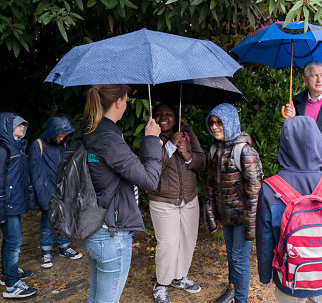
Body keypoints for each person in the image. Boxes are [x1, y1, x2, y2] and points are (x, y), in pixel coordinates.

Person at [256, 116, 322, 303]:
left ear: (284, 146)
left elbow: (264, 238)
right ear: (319, 143)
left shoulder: (270, 188)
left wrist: (265, 274)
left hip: (288, 277)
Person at [80, 84, 163, 303]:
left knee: (96, 297)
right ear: (118, 102)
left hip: (94, 227)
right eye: (125, 100)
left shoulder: (90, 131)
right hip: (110, 234)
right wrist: (152, 140)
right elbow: (150, 180)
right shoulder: (109, 139)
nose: (126, 104)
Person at [204, 103, 263, 303]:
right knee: (231, 256)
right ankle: (233, 291)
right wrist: (211, 215)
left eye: (219, 122)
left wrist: (251, 226)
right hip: (227, 215)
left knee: (239, 259)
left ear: (229, 122)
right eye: (212, 123)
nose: (214, 127)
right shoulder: (214, 150)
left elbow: (254, 192)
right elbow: (210, 186)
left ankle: (241, 299)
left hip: (243, 217)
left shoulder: (244, 152)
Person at [149, 103, 205, 303]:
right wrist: (171, 146)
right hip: (163, 199)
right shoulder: (150, 136)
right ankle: (161, 284)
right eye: (158, 114)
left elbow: (202, 161)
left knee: (188, 240)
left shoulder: (187, 132)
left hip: (189, 197)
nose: (163, 117)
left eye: (168, 114)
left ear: (176, 116)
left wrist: (188, 155)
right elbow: (150, 167)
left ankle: (179, 277)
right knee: (168, 244)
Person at [28, 116, 82, 269]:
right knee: (47, 222)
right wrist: (42, 197)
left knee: (63, 219)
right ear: (52, 132)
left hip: (62, 190)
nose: (62, 137)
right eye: (60, 134)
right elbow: (35, 174)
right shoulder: (37, 145)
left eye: (64, 134)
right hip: (47, 191)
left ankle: (64, 247)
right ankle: (46, 252)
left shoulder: (64, 144)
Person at [0, 112, 37, 299]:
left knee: (9, 240)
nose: (22, 127)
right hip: (7, 205)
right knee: (14, 242)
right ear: (7, 127)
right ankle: (12, 286)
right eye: (18, 125)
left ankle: (7, 274)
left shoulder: (19, 147)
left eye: (24, 125)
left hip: (14, 203)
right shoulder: (3, 149)